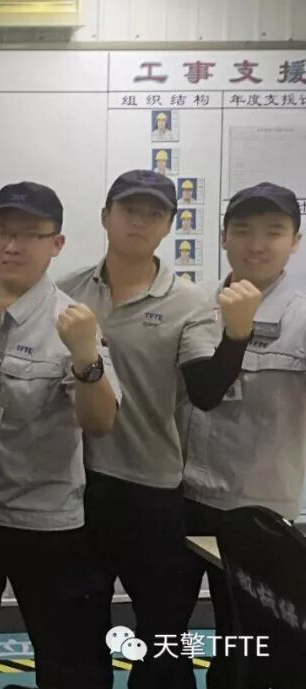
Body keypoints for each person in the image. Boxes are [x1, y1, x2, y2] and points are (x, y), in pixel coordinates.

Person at [59, 170, 261, 689]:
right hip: (73, 487)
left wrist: (237, 334)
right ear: (105, 216)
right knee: (79, 631)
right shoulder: (65, 291)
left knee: (161, 635)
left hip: (150, 489)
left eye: (155, 213)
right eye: (130, 210)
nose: (140, 221)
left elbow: (206, 391)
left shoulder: (188, 302)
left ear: (169, 225)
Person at [0, 182, 121, 689]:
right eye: (1, 232)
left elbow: (101, 422)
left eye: (28, 234)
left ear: (56, 244)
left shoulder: (71, 320)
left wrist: (86, 359)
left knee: (65, 658)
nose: (11, 246)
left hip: (44, 521)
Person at [176, 182, 305, 689]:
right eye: (244, 230)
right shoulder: (194, 305)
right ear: (224, 236)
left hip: (258, 509)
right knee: (164, 628)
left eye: (274, 231)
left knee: (247, 643)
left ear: (295, 240)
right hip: (182, 498)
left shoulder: (302, 316)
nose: (257, 244)